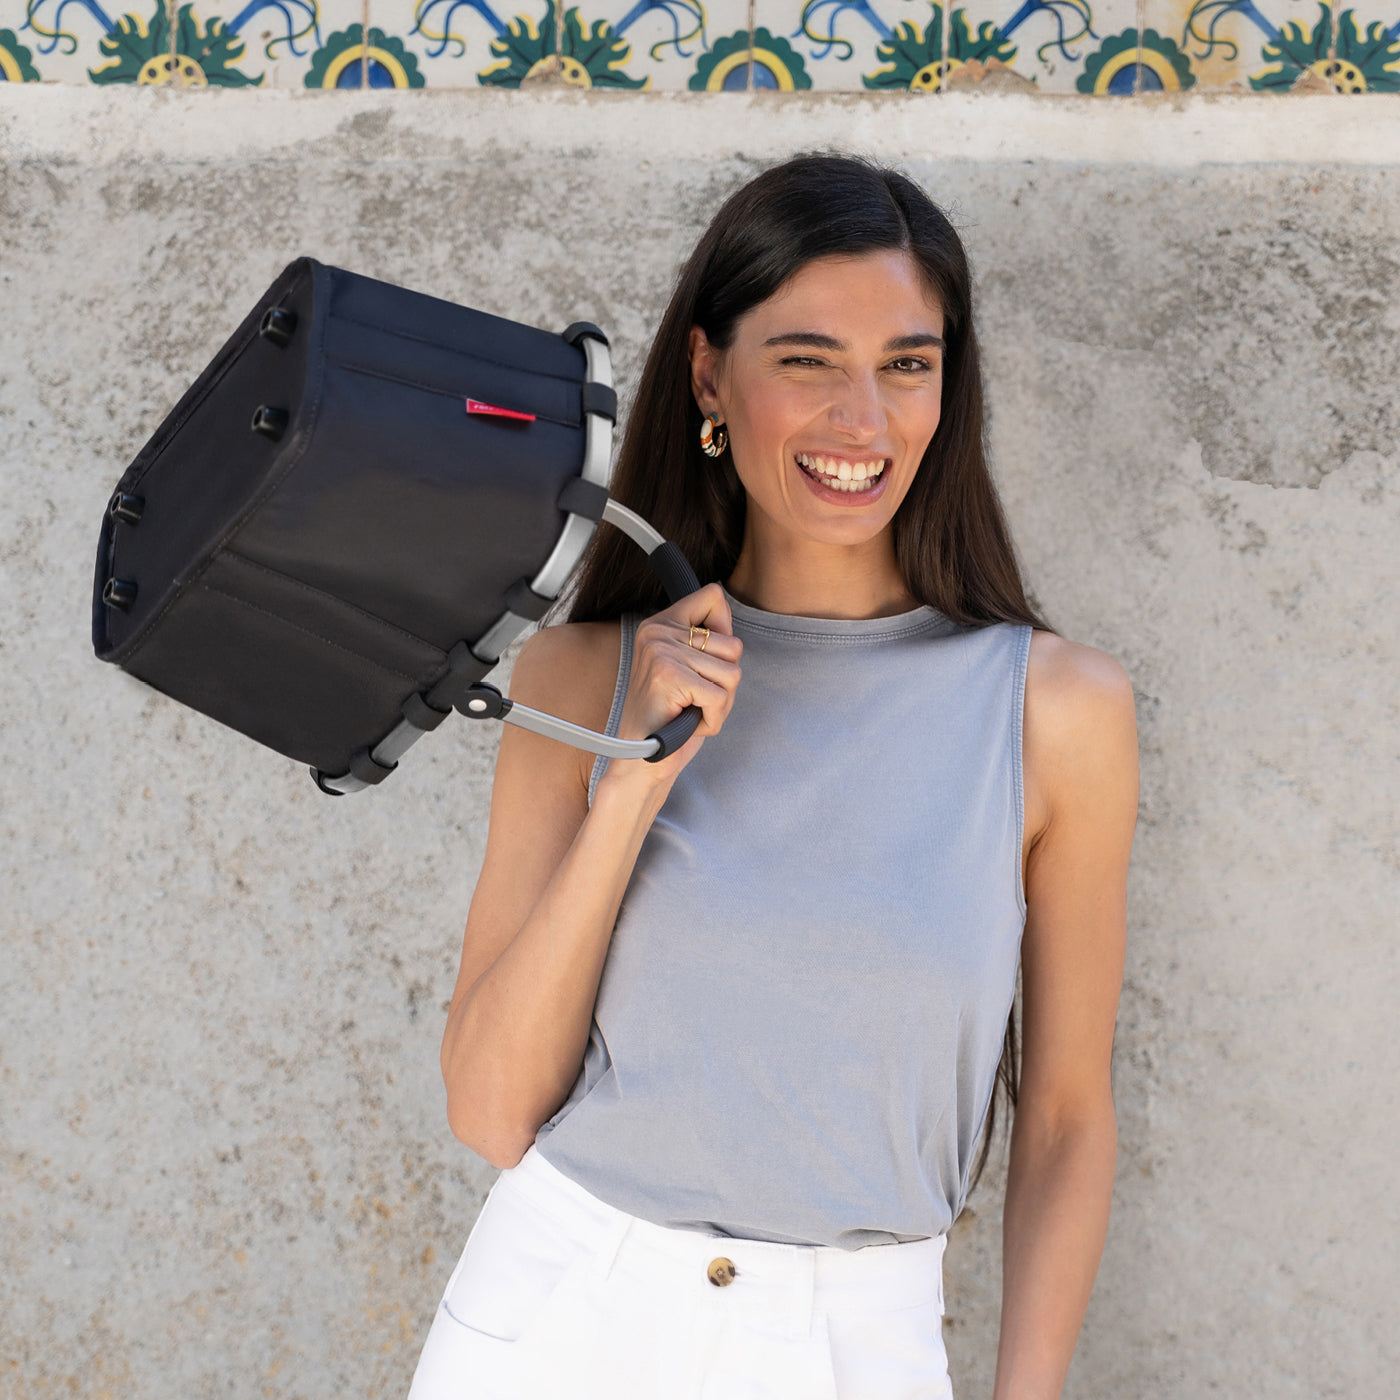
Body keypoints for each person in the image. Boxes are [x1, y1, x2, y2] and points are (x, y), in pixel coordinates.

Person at [407, 153, 1138, 1400]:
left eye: (905, 364)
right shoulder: (579, 677)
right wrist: (634, 781)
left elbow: (1066, 1117)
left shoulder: (1054, 711)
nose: (862, 420)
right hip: (556, 1324)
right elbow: (490, 1108)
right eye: (806, 359)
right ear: (709, 375)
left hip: (856, 1346)